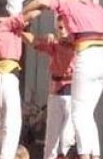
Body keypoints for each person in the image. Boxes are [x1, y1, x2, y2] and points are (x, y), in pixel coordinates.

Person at [23, 0, 103, 159]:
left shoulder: (68, 3)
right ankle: (94, 155)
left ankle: (84, 155)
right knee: (88, 113)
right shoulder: (96, 6)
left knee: (80, 113)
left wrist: (20, 15)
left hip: (87, 56)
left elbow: (40, 2)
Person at [0, 10, 39, 159]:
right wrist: (43, 5)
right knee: (12, 123)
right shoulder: (5, 26)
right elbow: (27, 17)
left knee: (5, 124)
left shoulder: (10, 30)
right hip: (6, 76)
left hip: (4, 77)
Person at [26, 19, 75, 159]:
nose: (63, 31)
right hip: (56, 93)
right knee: (51, 140)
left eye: (67, 28)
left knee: (67, 138)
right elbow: (34, 41)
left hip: (73, 94)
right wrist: (21, 29)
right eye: (60, 28)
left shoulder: (79, 46)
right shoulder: (54, 45)